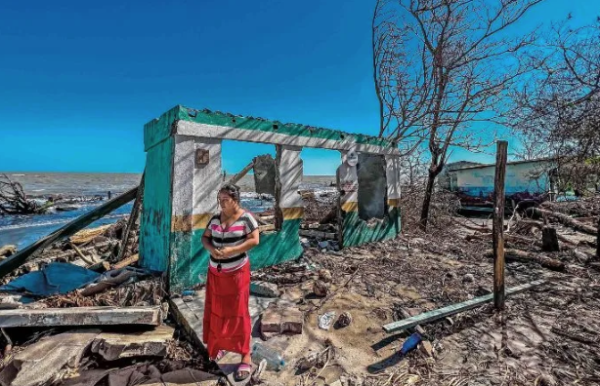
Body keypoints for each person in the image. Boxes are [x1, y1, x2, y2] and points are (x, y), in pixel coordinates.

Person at [201, 184, 260, 382]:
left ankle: (245, 355)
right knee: (217, 310)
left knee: (238, 313)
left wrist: (231, 251)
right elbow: (205, 238)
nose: (222, 204)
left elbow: (254, 240)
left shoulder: (246, 218)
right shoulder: (216, 218)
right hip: (215, 274)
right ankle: (218, 347)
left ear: (236, 200)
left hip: (236, 274)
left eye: (225, 200)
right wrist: (211, 249)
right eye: (220, 200)